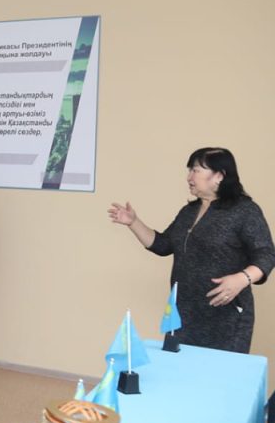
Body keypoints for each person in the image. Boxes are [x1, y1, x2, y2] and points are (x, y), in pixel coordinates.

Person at [108, 146, 275, 353]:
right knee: (180, 370)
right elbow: (163, 244)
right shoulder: (188, 211)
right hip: (183, 315)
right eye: (189, 171)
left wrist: (242, 279)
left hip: (226, 316)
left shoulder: (244, 210)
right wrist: (133, 222)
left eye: (195, 170)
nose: (189, 177)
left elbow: (266, 254)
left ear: (219, 176)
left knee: (220, 372)